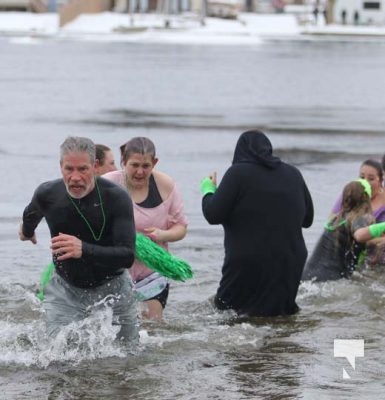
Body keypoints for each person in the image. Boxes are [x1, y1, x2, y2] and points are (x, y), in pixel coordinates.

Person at [19, 136, 139, 344]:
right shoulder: (47, 194)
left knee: (129, 355)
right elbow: (29, 216)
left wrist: (83, 248)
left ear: (95, 166)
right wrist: (27, 232)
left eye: (82, 169)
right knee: (56, 357)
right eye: (69, 169)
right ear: (60, 167)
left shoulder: (116, 198)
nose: (75, 177)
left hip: (114, 289)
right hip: (65, 289)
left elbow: (127, 256)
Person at [200, 130, 314, 317]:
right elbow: (308, 220)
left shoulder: (238, 173)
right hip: (289, 261)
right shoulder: (293, 173)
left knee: (228, 314)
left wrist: (208, 190)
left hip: (248, 262)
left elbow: (213, 214)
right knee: (279, 316)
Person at [103, 136, 188, 320]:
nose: (140, 172)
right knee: (117, 325)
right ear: (123, 162)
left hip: (153, 271)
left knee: (152, 324)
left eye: (146, 166)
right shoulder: (107, 184)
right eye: (134, 165)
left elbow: (181, 227)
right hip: (116, 271)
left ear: (154, 163)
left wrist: (162, 234)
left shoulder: (165, 186)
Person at [302, 179, 375, 282]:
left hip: (307, 274)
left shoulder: (336, 219)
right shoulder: (361, 217)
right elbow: (360, 235)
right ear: (366, 197)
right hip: (330, 279)